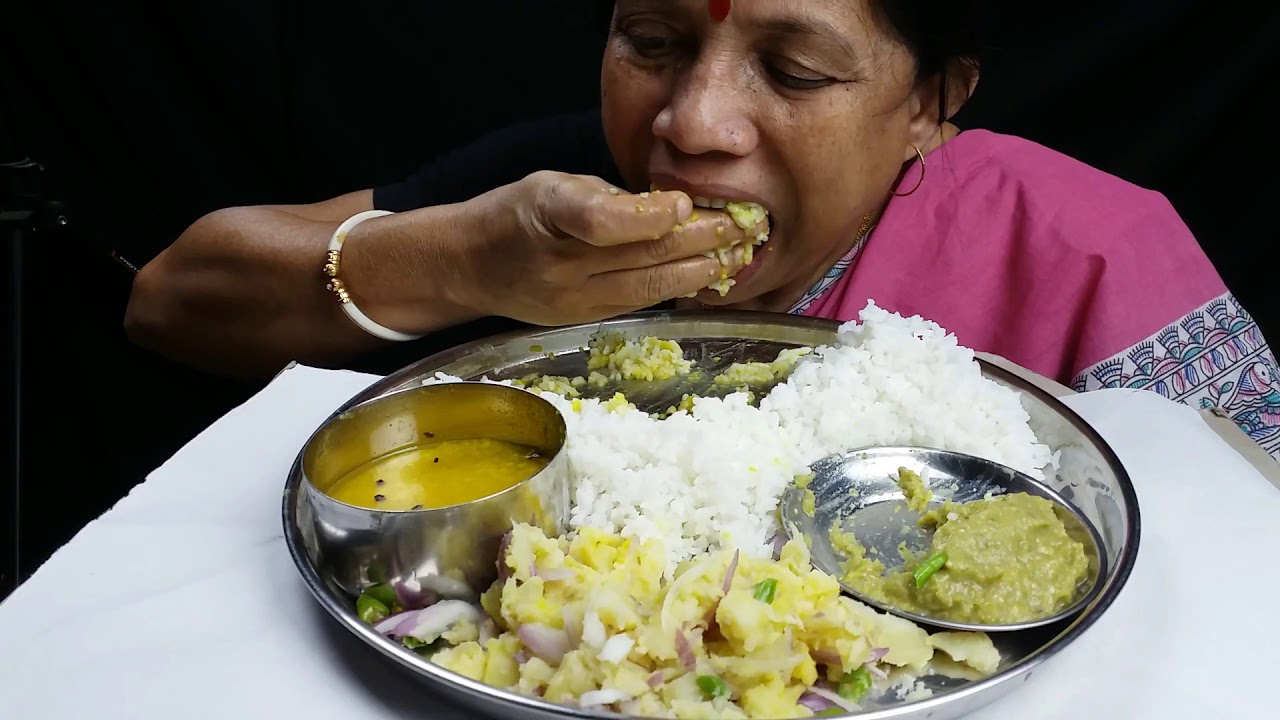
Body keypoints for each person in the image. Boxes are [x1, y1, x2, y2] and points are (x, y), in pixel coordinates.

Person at [124, 0, 1280, 459]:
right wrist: (462, 260)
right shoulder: (550, 189)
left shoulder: (1091, 246)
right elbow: (168, 300)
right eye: (652, 44)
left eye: (793, 69)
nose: (688, 123)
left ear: (931, 102)